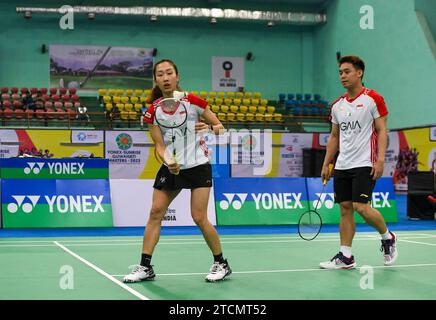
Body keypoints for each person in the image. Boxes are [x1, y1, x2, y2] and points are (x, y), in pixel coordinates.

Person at [123, 59, 232, 283]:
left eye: (169, 73)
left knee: (199, 216)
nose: (165, 77)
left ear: (177, 76)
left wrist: (210, 128)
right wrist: (168, 160)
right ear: (156, 80)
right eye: (160, 74)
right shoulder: (153, 111)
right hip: (172, 167)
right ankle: (145, 267)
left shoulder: (193, 102)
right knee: (155, 212)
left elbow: (223, 130)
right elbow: (160, 147)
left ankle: (221, 263)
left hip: (198, 165)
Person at [319, 55, 398, 269]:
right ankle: (346, 256)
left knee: (361, 207)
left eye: (347, 71)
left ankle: (387, 236)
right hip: (343, 164)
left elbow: (382, 130)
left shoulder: (373, 99)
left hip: (365, 162)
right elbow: (334, 137)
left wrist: (380, 160)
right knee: (345, 208)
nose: (342, 76)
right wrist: (327, 164)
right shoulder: (337, 105)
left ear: (359, 73)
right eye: (340, 72)